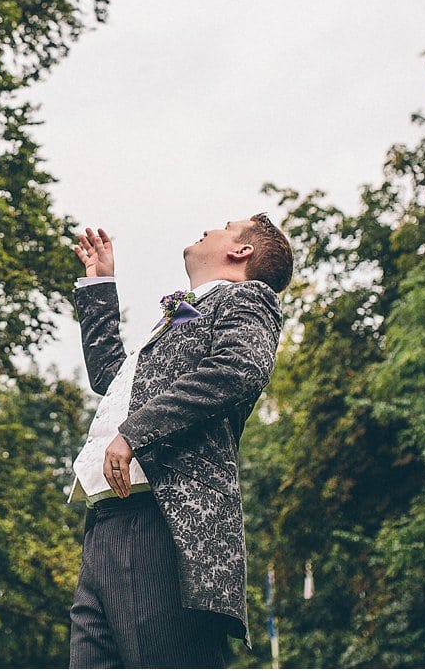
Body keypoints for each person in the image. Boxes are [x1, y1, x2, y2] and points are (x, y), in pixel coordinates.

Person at [67, 215, 292, 668]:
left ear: (241, 251)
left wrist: (133, 433)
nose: (209, 228)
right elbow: (113, 381)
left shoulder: (248, 297)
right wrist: (99, 287)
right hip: (105, 523)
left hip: (163, 522)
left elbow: (240, 367)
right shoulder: (184, 316)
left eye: (226, 226)